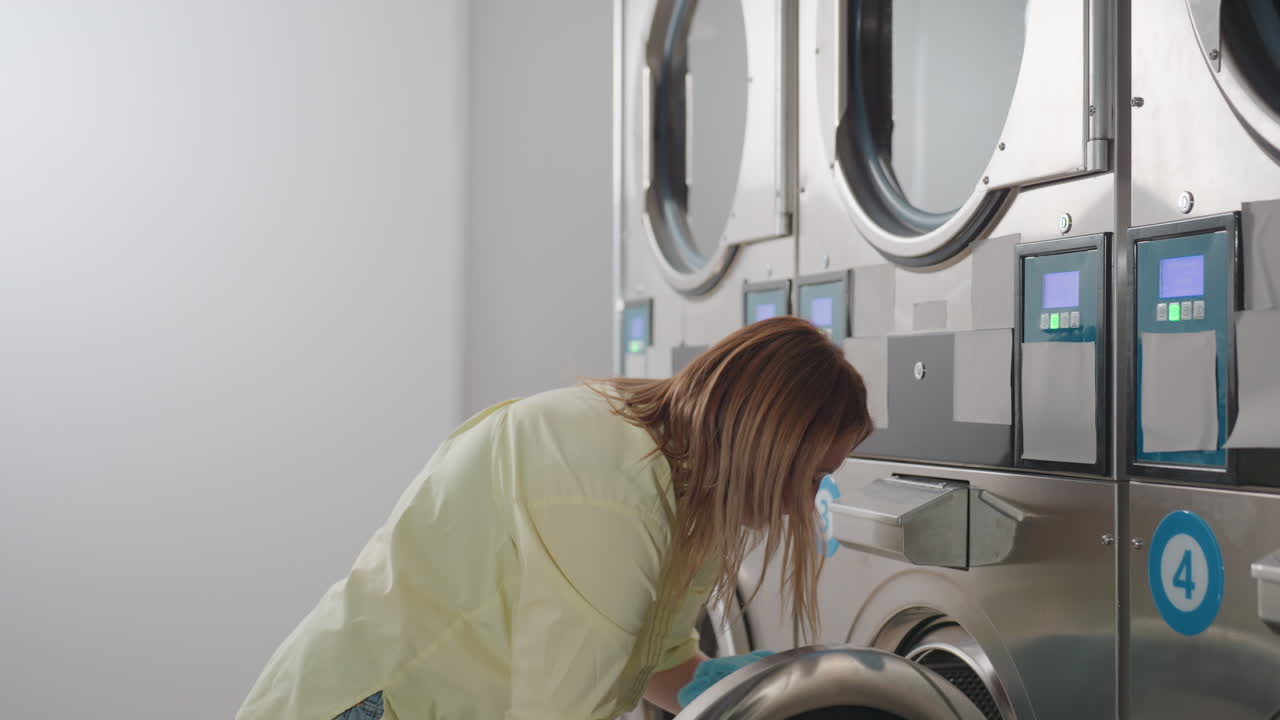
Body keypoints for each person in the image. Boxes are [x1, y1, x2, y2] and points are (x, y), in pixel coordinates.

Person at [236, 316, 873, 720]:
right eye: (814, 474)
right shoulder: (609, 490)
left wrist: (739, 687)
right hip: (375, 706)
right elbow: (565, 707)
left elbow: (653, 658)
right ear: (770, 446)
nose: (810, 498)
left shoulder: (689, 482)